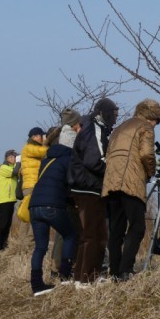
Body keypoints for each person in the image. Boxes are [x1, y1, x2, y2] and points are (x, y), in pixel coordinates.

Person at [102, 98, 160, 282]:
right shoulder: (145, 127)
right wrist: (150, 171)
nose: (155, 125)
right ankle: (125, 270)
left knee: (116, 229)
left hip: (111, 182)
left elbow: (107, 154)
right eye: (156, 122)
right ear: (151, 117)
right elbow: (146, 153)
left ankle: (114, 271)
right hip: (131, 182)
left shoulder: (119, 128)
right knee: (137, 226)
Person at [68, 98, 119, 289]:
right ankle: (88, 278)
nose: (114, 118)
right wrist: (115, 170)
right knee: (95, 235)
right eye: (113, 114)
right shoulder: (94, 128)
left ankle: (82, 277)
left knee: (88, 234)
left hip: (85, 187)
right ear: (104, 113)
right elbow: (95, 160)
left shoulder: (90, 126)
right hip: (89, 187)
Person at [28, 143, 76, 296]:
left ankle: (36, 285)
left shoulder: (46, 161)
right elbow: (71, 181)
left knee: (40, 247)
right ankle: (65, 275)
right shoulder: (68, 159)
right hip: (52, 205)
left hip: (34, 206)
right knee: (70, 235)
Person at [50, 108, 83, 276]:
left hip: (58, 189)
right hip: (67, 191)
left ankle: (57, 268)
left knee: (63, 232)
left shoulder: (55, 137)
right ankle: (62, 269)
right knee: (68, 231)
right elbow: (73, 168)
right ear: (74, 124)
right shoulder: (70, 140)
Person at [0, 149, 21, 252]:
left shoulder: (13, 167)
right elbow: (15, 172)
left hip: (11, 199)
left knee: (8, 225)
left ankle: (4, 246)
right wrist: (18, 162)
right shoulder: (3, 167)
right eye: (11, 157)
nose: (13, 159)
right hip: (4, 200)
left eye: (14, 157)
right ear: (7, 158)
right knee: (2, 224)